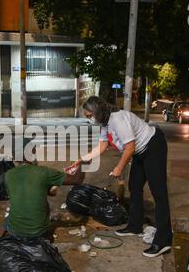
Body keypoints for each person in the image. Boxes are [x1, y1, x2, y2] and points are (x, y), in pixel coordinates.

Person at [72, 95, 173, 257]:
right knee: (134, 187)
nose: (89, 120)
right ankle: (135, 226)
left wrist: (119, 168)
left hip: (153, 146)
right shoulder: (105, 122)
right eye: (87, 117)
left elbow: (130, 148)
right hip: (140, 153)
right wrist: (82, 159)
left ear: (97, 111)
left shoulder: (118, 119)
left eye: (90, 116)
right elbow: (102, 146)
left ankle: (164, 241)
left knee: (159, 193)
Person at [0, 139, 85, 242]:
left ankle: (1, 233)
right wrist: (83, 163)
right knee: (39, 210)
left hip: (16, 232)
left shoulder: (8, 175)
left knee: (16, 209)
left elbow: (26, 192)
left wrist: (47, 190)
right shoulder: (43, 172)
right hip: (39, 233)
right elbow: (77, 180)